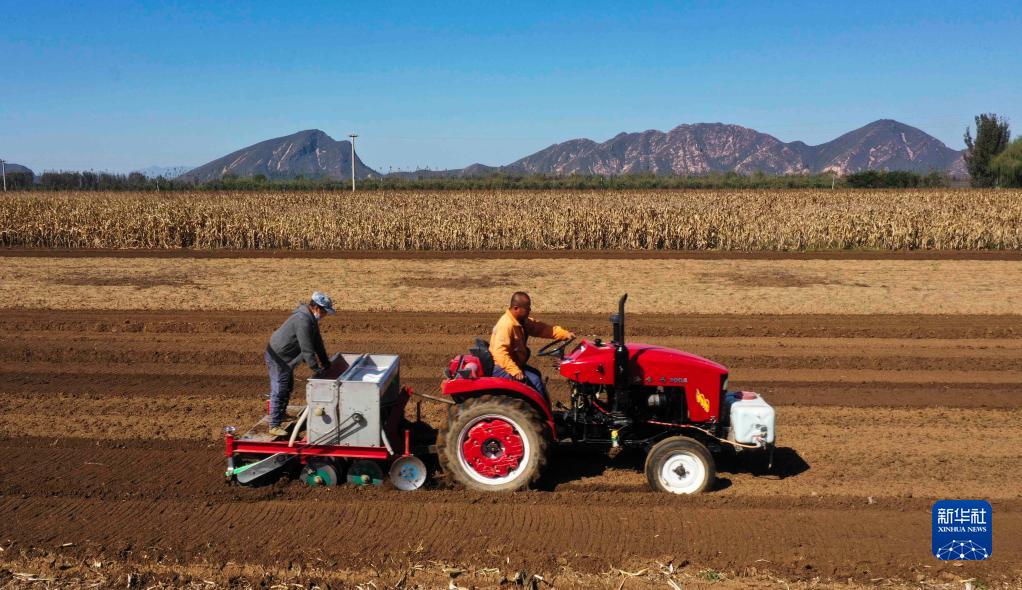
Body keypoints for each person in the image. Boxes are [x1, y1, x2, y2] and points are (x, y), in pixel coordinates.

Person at [264, 291, 335, 436]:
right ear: (316, 308)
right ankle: (274, 425)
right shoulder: (303, 320)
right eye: (324, 312)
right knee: (280, 389)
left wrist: (326, 363)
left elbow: (318, 344)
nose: (325, 315)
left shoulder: (310, 320)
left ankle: (281, 415)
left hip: (286, 358)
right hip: (278, 357)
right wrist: (316, 368)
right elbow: (307, 348)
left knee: (287, 386)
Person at [489, 291, 574, 401]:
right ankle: (541, 416)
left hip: (512, 363)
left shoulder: (520, 321)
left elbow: (541, 329)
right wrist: (515, 371)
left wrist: (564, 334)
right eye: (527, 308)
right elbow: (500, 352)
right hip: (501, 367)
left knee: (536, 375)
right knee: (535, 381)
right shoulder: (506, 325)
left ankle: (543, 411)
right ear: (516, 308)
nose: (530, 310)